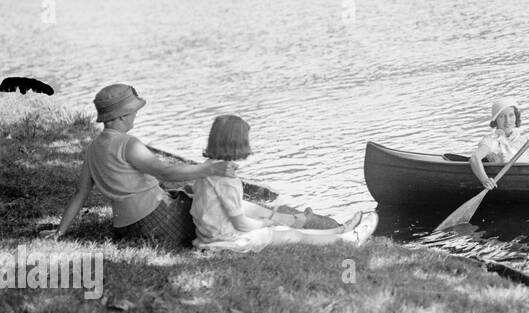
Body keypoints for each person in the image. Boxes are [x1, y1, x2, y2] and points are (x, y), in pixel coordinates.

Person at [55, 84, 235, 247]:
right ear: (122, 116)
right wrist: (209, 169)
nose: (136, 115)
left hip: (125, 229)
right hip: (156, 219)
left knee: (188, 192)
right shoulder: (128, 144)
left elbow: (80, 193)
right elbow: (165, 173)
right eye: (134, 111)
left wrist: (60, 232)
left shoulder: (93, 148)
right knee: (210, 210)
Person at [190, 114, 376, 251]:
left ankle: (340, 231)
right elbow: (242, 226)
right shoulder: (226, 180)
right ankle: (349, 240)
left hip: (208, 238)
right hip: (227, 243)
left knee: (286, 231)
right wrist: (264, 223)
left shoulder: (207, 169)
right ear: (236, 143)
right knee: (291, 235)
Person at [470, 97, 529, 190]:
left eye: (511, 115)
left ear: (516, 117)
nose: (508, 120)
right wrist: (485, 180)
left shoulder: (523, 140)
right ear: (495, 120)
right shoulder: (491, 140)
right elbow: (474, 158)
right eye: (502, 116)